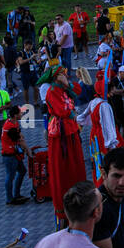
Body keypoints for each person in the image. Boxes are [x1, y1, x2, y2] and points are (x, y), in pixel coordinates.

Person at [41, 66, 87, 226]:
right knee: (63, 169)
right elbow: (62, 110)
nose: (65, 75)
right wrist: (74, 114)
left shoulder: (63, 88)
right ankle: (64, 210)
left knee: (76, 166)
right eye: (62, 73)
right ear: (55, 77)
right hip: (61, 133)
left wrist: (67, 83)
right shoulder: (52, 91)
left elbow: (79, 90)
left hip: (71, 130)